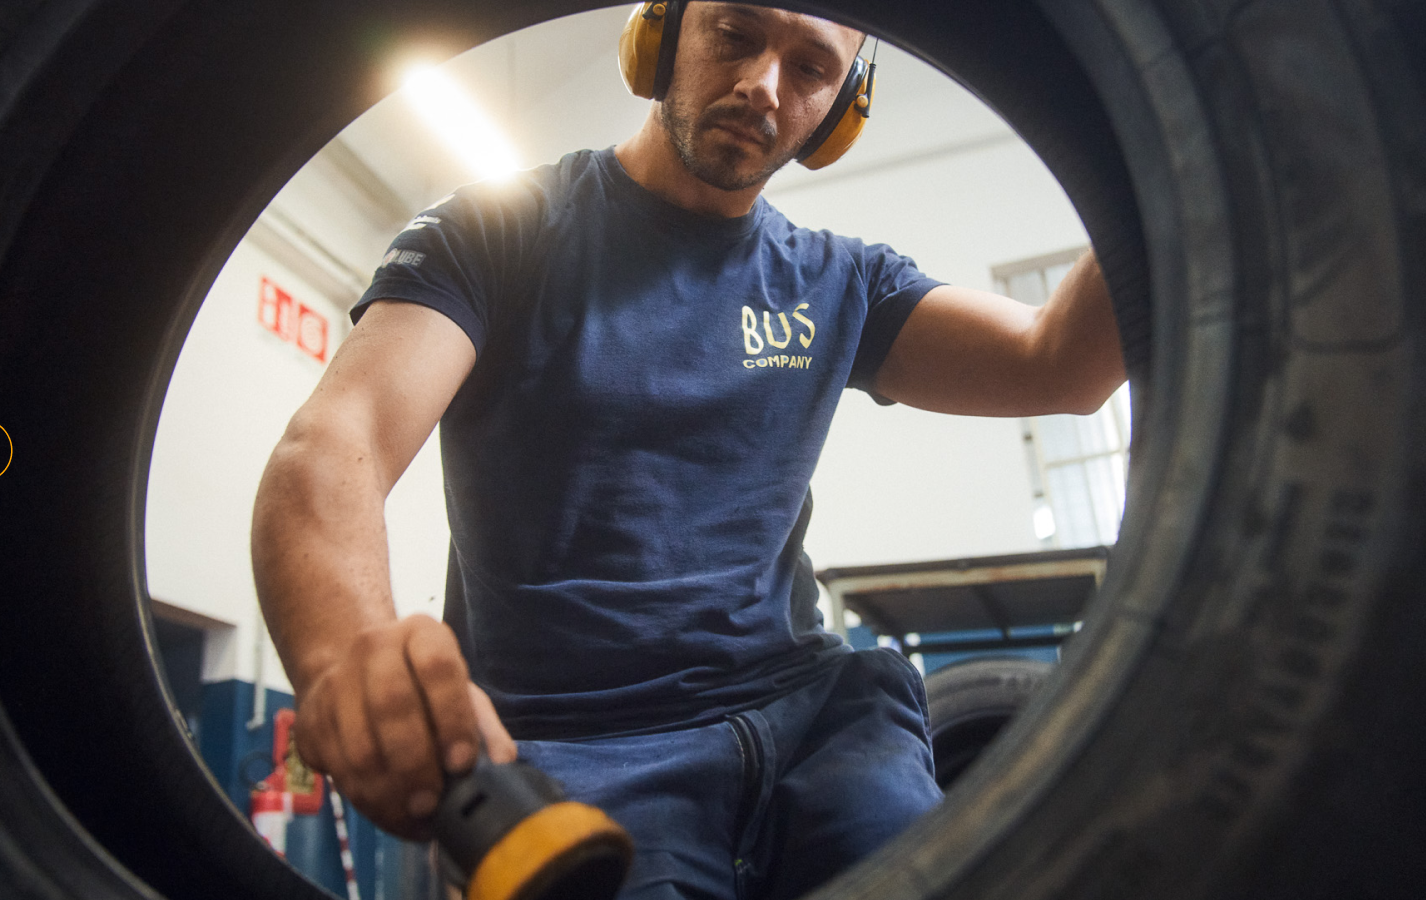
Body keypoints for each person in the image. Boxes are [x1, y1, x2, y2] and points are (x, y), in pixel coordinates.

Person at [251, 2, 1125, 897]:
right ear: (660, 33)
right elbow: (335, 440)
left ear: (844, 107)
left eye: (811, 69)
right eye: (735, 36)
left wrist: (1158, 146)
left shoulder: (843, 281)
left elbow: (1059, 364)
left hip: (821, 728)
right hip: (572, 756)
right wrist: (342, 656)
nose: (762, 86)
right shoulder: (500, 232)